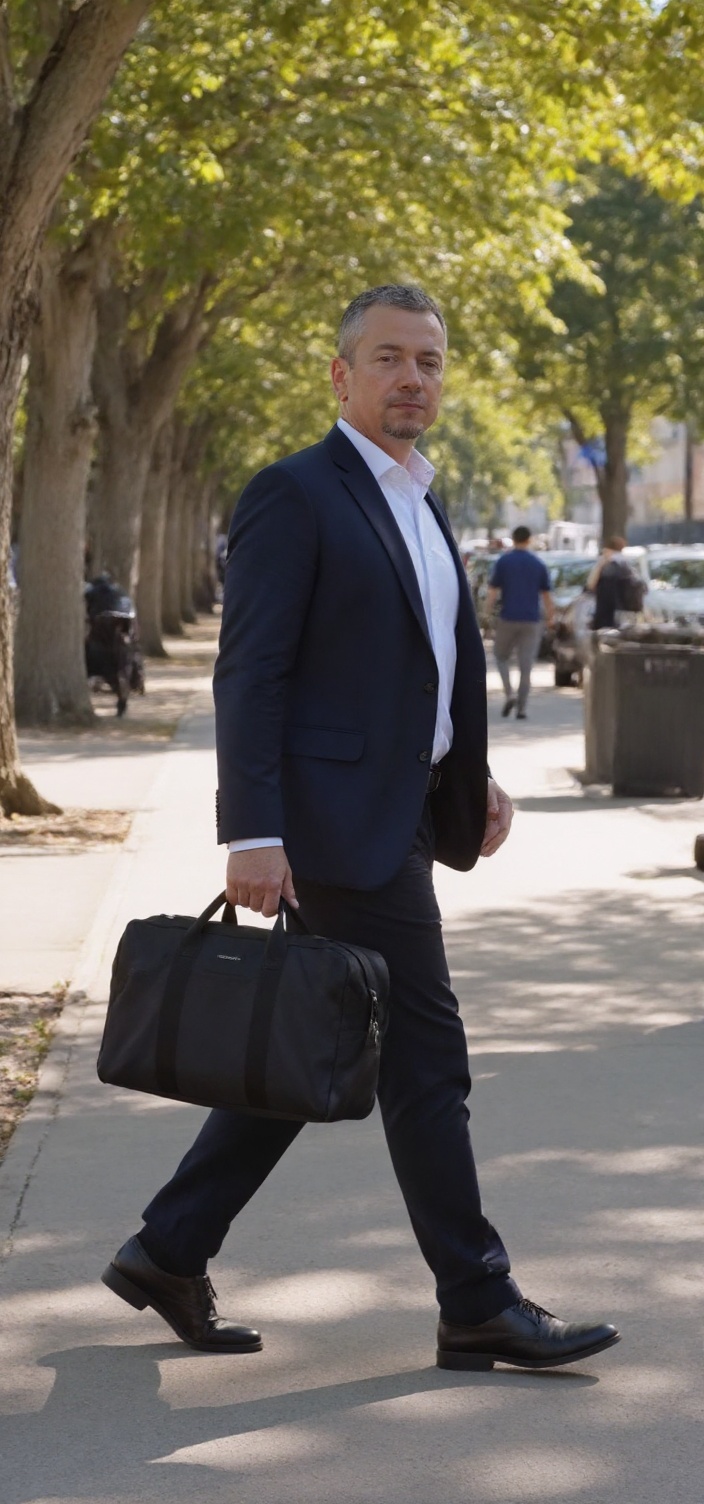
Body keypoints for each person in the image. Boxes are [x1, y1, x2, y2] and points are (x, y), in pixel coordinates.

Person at [102, 285, 619, 1372]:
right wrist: (250, 830)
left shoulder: (422, 502)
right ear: (340, 375)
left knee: (324, 1044)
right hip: (330, 831)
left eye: (427, 362)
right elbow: (252, 672)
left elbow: (424, 668)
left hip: (392, 818)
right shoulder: (296, 494)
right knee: (425, 1060)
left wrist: (462, 779)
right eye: (387, 359)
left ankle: (167, 1247)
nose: (411, 379)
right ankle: (475, 1297)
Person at [487, 527, 554, 719]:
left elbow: (492, 591)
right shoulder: (538, 563)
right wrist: (551, 617)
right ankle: (522, 708)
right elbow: (547, 595)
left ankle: (509, 693)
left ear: (514, 539)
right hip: (532, 620)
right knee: (526, 666)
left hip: (508, 617)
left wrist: (487, 612)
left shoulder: (503, 561)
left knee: (500, 657)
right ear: (529, 540)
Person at [588, 536, 643, 629]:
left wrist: (600, 564)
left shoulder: (605, 566)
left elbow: (590, 585)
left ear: (607, 549)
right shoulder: (628, 566)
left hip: (605, 615)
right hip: (625, 614)